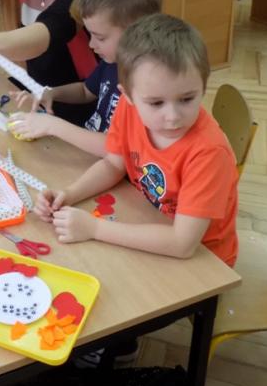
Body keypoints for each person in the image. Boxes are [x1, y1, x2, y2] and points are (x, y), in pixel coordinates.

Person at [37, 14, 239, 268]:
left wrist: (95, 228)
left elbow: (183, 244)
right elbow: (113, 164)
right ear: (129, 96)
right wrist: (69, 194)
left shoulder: (209, 152)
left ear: (204, 87)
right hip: (148, 222)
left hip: (205, 261)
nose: (172, 116)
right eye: (156, 103)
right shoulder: (129, 107)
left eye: (187, 99)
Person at [8, 0, 162, 157]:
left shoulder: (149, 86)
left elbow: (116, 149)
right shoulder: (112, 62)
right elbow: (85, 91)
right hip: (88, 155)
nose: (91, 44)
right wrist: (51, 93)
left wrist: (53, 126)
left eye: (100, 37)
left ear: (136, 31)